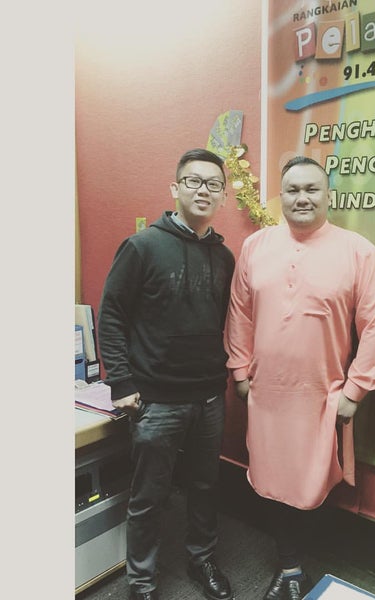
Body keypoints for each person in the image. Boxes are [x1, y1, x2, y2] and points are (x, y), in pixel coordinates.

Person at [224, 156, 375, 600]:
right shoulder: (256, 246)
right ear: (281, 196)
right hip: (266, 392)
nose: (302, 198)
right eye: (293, 190)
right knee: (271, 480)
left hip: (322, 394)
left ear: (328, 195)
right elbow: (239, 313)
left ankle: (296, 559)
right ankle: (290, 566)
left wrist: (356, 389)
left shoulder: (359, 251)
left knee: (312, 481)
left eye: (312, 189)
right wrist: (240, 371)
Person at [98, 148, 235, 600]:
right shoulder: (141, 247)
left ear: (223, 196)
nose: (203, 190)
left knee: (205, 486)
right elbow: (112, 316)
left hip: (209, 397)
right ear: (175, 188)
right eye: (193, 181)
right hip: (156, 400)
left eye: (213, 184)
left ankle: (202, 559)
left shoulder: (224, 257)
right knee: (149, 496)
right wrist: (121, 382)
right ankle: (141, 582)